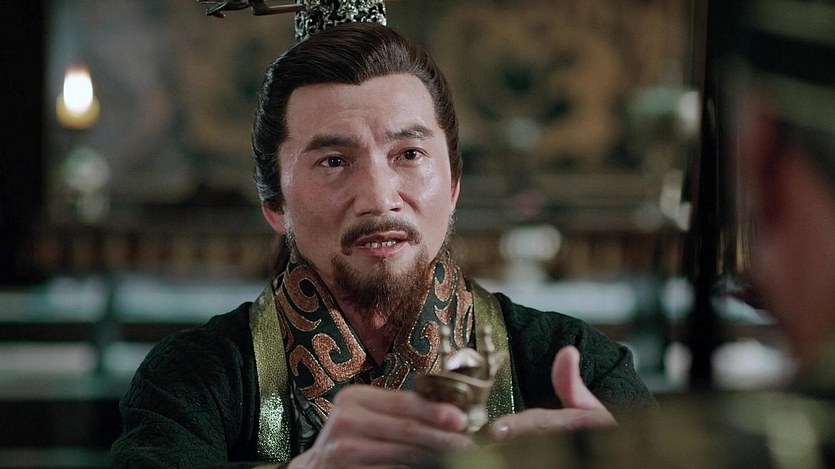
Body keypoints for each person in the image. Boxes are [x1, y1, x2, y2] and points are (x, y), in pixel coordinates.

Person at [111, 20, 656, 468]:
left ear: (454, 185)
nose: (378, 198)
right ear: (275, 205)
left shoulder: (575, 364)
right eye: (333, 161)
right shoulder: (192, 379)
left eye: (409, 155)